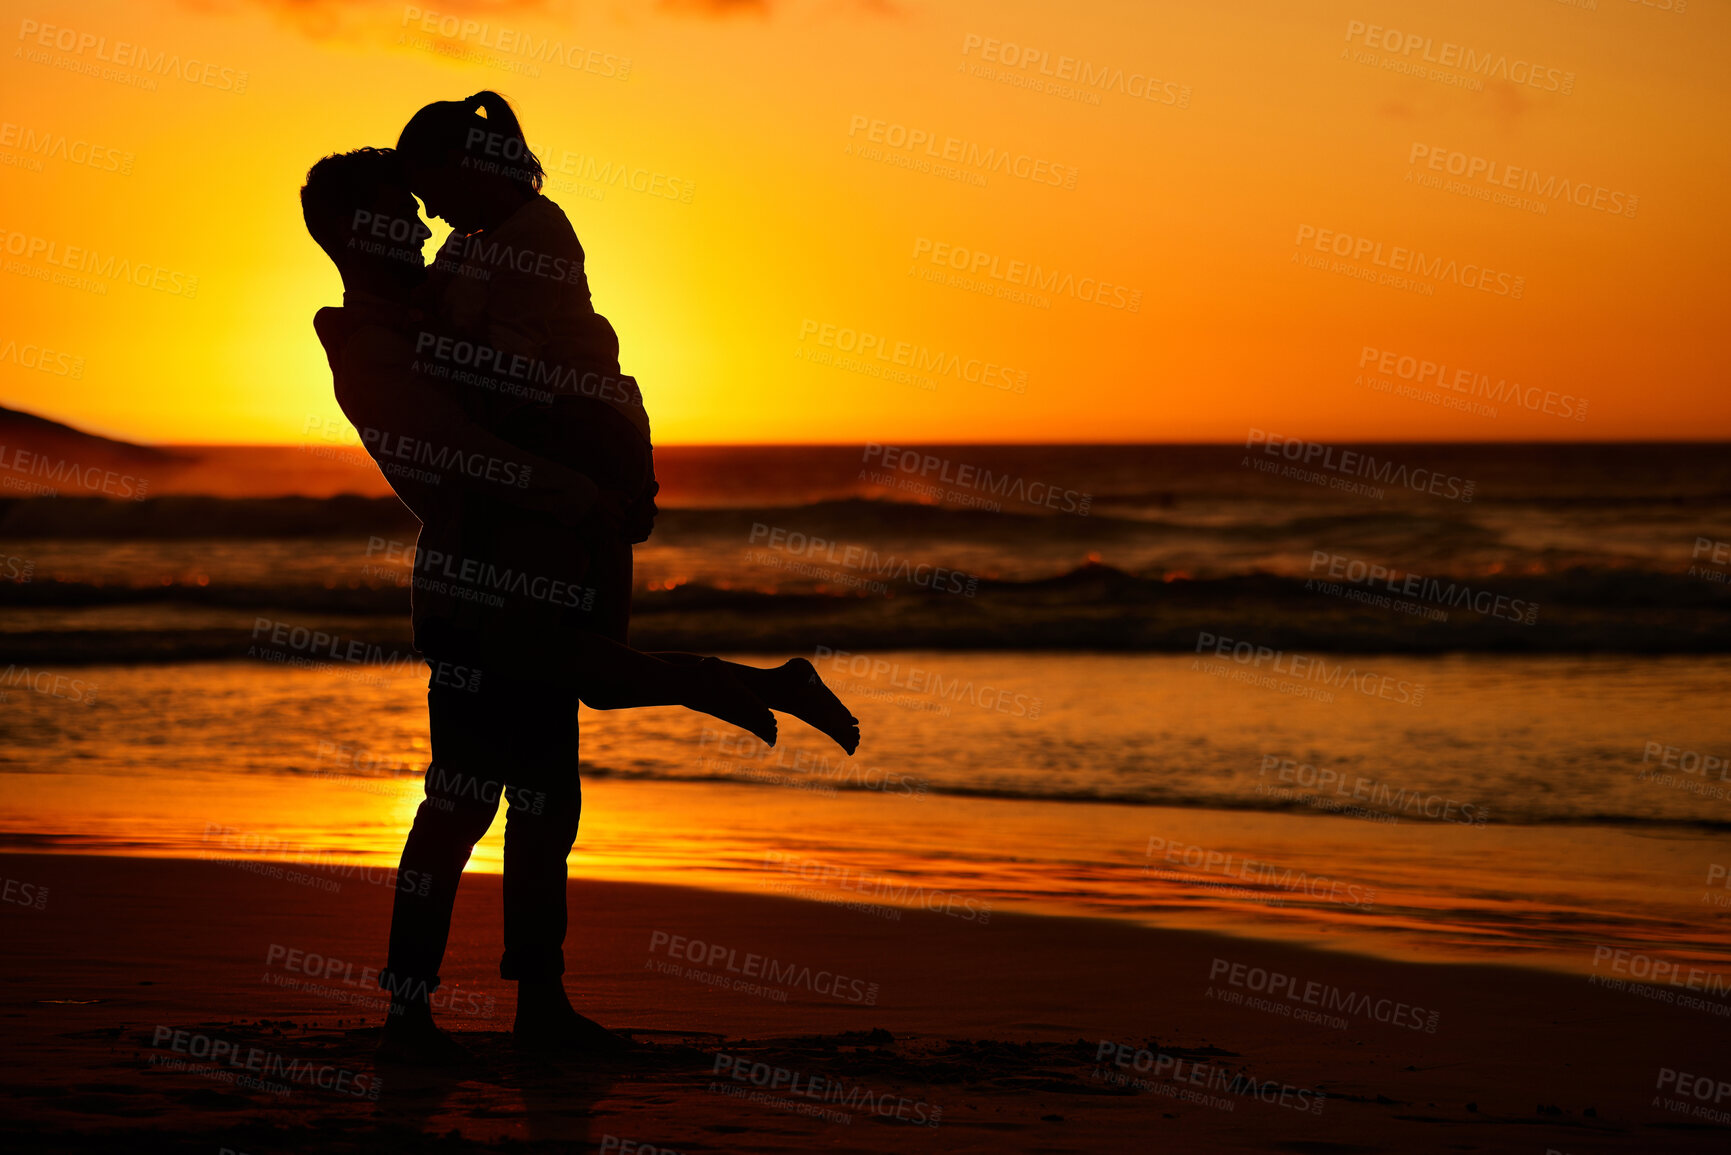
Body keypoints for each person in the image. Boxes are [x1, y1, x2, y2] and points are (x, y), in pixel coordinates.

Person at [300, 146, 856, 1063]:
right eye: (404, 213)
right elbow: (449, 457)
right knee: (461, 802)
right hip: (475, 577)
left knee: (548, 796)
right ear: (358, 232)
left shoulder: (446, 299)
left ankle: (539, 1001)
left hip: (539, 558)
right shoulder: (364, 344)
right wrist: (573, 489)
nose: (426, 226)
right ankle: (409, 1007)